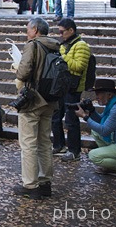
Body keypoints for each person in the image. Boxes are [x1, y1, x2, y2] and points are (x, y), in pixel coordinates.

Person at [12, 17, 60, 200]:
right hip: (51, 100)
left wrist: (17, 68)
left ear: (36, 30)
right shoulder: (56, 46)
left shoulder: (33, 45)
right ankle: (45, 181)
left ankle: (30, 185)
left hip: (33, 100)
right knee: (45, 142)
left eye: (28, 29)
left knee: (28, 143)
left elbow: (24, 72)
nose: (27, 33)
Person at [51, 18, 91, 162]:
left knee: (71, 120)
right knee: (56, 116)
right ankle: (58, 145)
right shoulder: (64, 45)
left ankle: (74, 151)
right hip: (61, 86)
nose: (60, 35)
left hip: (73, 88)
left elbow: (78, 66)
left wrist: (63, 56)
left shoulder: (81, 46)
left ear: (71, 30)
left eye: (62, 32)